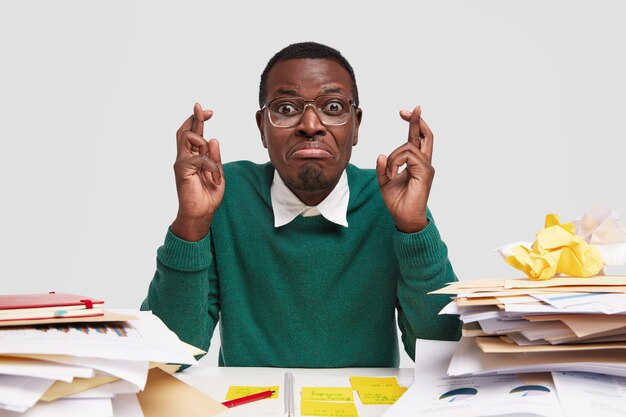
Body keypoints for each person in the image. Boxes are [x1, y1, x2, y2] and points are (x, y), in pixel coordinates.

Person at [141, 41, 460, 367]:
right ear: (262, 128)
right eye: (286, 109)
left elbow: (444, 356)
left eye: (333, 107)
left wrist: (414, 227)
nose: (310, 125)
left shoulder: (390, 201)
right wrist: (191, 223)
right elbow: (163, 359)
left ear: (356, 126)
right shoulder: (224, 195)